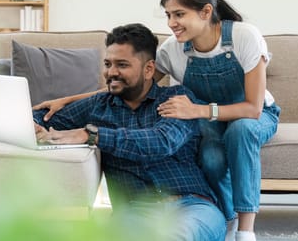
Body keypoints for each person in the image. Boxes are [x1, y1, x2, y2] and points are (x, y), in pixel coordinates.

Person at [34, 0, 281, 241]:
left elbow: (250, 109)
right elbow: (117, 85)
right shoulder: (171, 52)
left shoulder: (235, 44)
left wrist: (91, 134)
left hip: (244, 120)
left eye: (179, 14)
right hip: (139, 207)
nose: (171, 23)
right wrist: (65, 102)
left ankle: (244, 230)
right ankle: (227, 219)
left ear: (206, 11)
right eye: (168, 15)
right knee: (212, 157)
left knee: (240, 132)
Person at [33, 23, 225, 241]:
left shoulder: (177, 99)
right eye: (107, 64)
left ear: (149, 69)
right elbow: (44, 117)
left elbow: (161, 142)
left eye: (122, 65)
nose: (111, 72)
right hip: (134, 211)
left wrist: (92, 135)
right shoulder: (97, 105)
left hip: (192, 207)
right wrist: (32, 124)